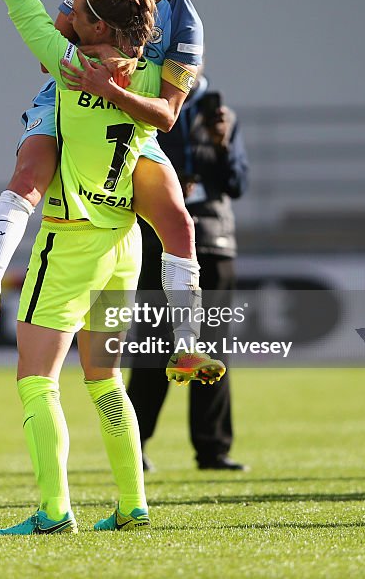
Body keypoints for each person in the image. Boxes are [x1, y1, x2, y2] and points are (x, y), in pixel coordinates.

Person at [0, 0, 177, 535]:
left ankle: (55, 510)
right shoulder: (141, 77)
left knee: (37, 380)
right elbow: (163, 111)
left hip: (70, 239)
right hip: (124, 245)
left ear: (94, 28)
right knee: (104, 380)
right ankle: (133, 502)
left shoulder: (66, 63)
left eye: (79, 9)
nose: (69, 11)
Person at [0, 0, 223, 383]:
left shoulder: (187, 25)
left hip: (130, 124)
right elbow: (51, 54)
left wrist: (111, 83)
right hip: (66, 99)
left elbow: (167, 115)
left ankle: (187, 347)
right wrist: (98, 60)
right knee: (28, 178)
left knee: (178, 224)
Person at [128, 79, 250, 472]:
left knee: (212, 350)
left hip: (214, 243)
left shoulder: (223, 118)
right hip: (160, 240)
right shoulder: (150, 104)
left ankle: (213, 450)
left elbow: (238, 183)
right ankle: (134, 444)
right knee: (152, 347)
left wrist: (223, 143)